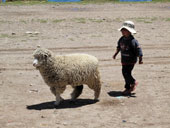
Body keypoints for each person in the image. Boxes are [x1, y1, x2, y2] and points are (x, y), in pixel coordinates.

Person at [113, 21, 143, 95]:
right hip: (124, 60)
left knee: (126, 73)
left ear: (130, 31)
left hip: (131, 61)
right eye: (122, 30)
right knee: (126, 73)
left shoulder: (133, 41)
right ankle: (128, 88)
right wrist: (115, 54)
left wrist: (140, 59)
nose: (122, 31)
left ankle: (133, 82)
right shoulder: (121, 39)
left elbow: (139, 50)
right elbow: (119, 47)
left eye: (125, 30)